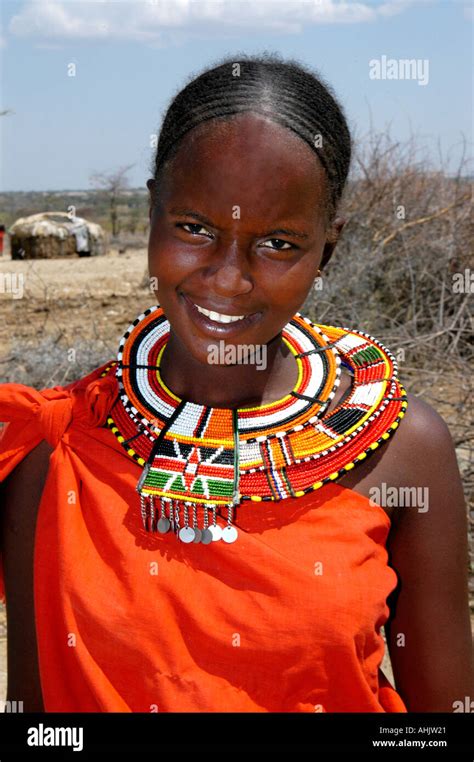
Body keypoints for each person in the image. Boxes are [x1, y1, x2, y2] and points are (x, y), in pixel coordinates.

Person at [0, 53, 472, 713]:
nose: (228, 277)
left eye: (278, 243)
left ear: (327, 251)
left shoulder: (403, 449)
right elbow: (34, 709)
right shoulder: (51, 449)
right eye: (194, 229)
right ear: (152, 216)